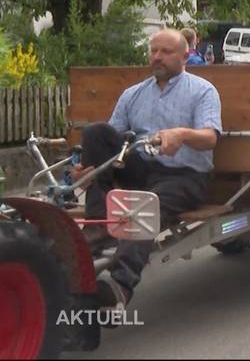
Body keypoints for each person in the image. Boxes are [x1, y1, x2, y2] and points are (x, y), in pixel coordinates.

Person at [74, 29, 221, 310]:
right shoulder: (133, 93)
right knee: (95, 132)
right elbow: (110, 139)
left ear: (185, 55)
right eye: (154, 51)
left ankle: (119, 286)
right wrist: (87, 169)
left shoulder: (202, 91)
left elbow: (210, 138)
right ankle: (97, 220)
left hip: (184, 177)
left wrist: (181, 134)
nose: (157, 57)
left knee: (142, 211)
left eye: (166, 52)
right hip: (140, 169)